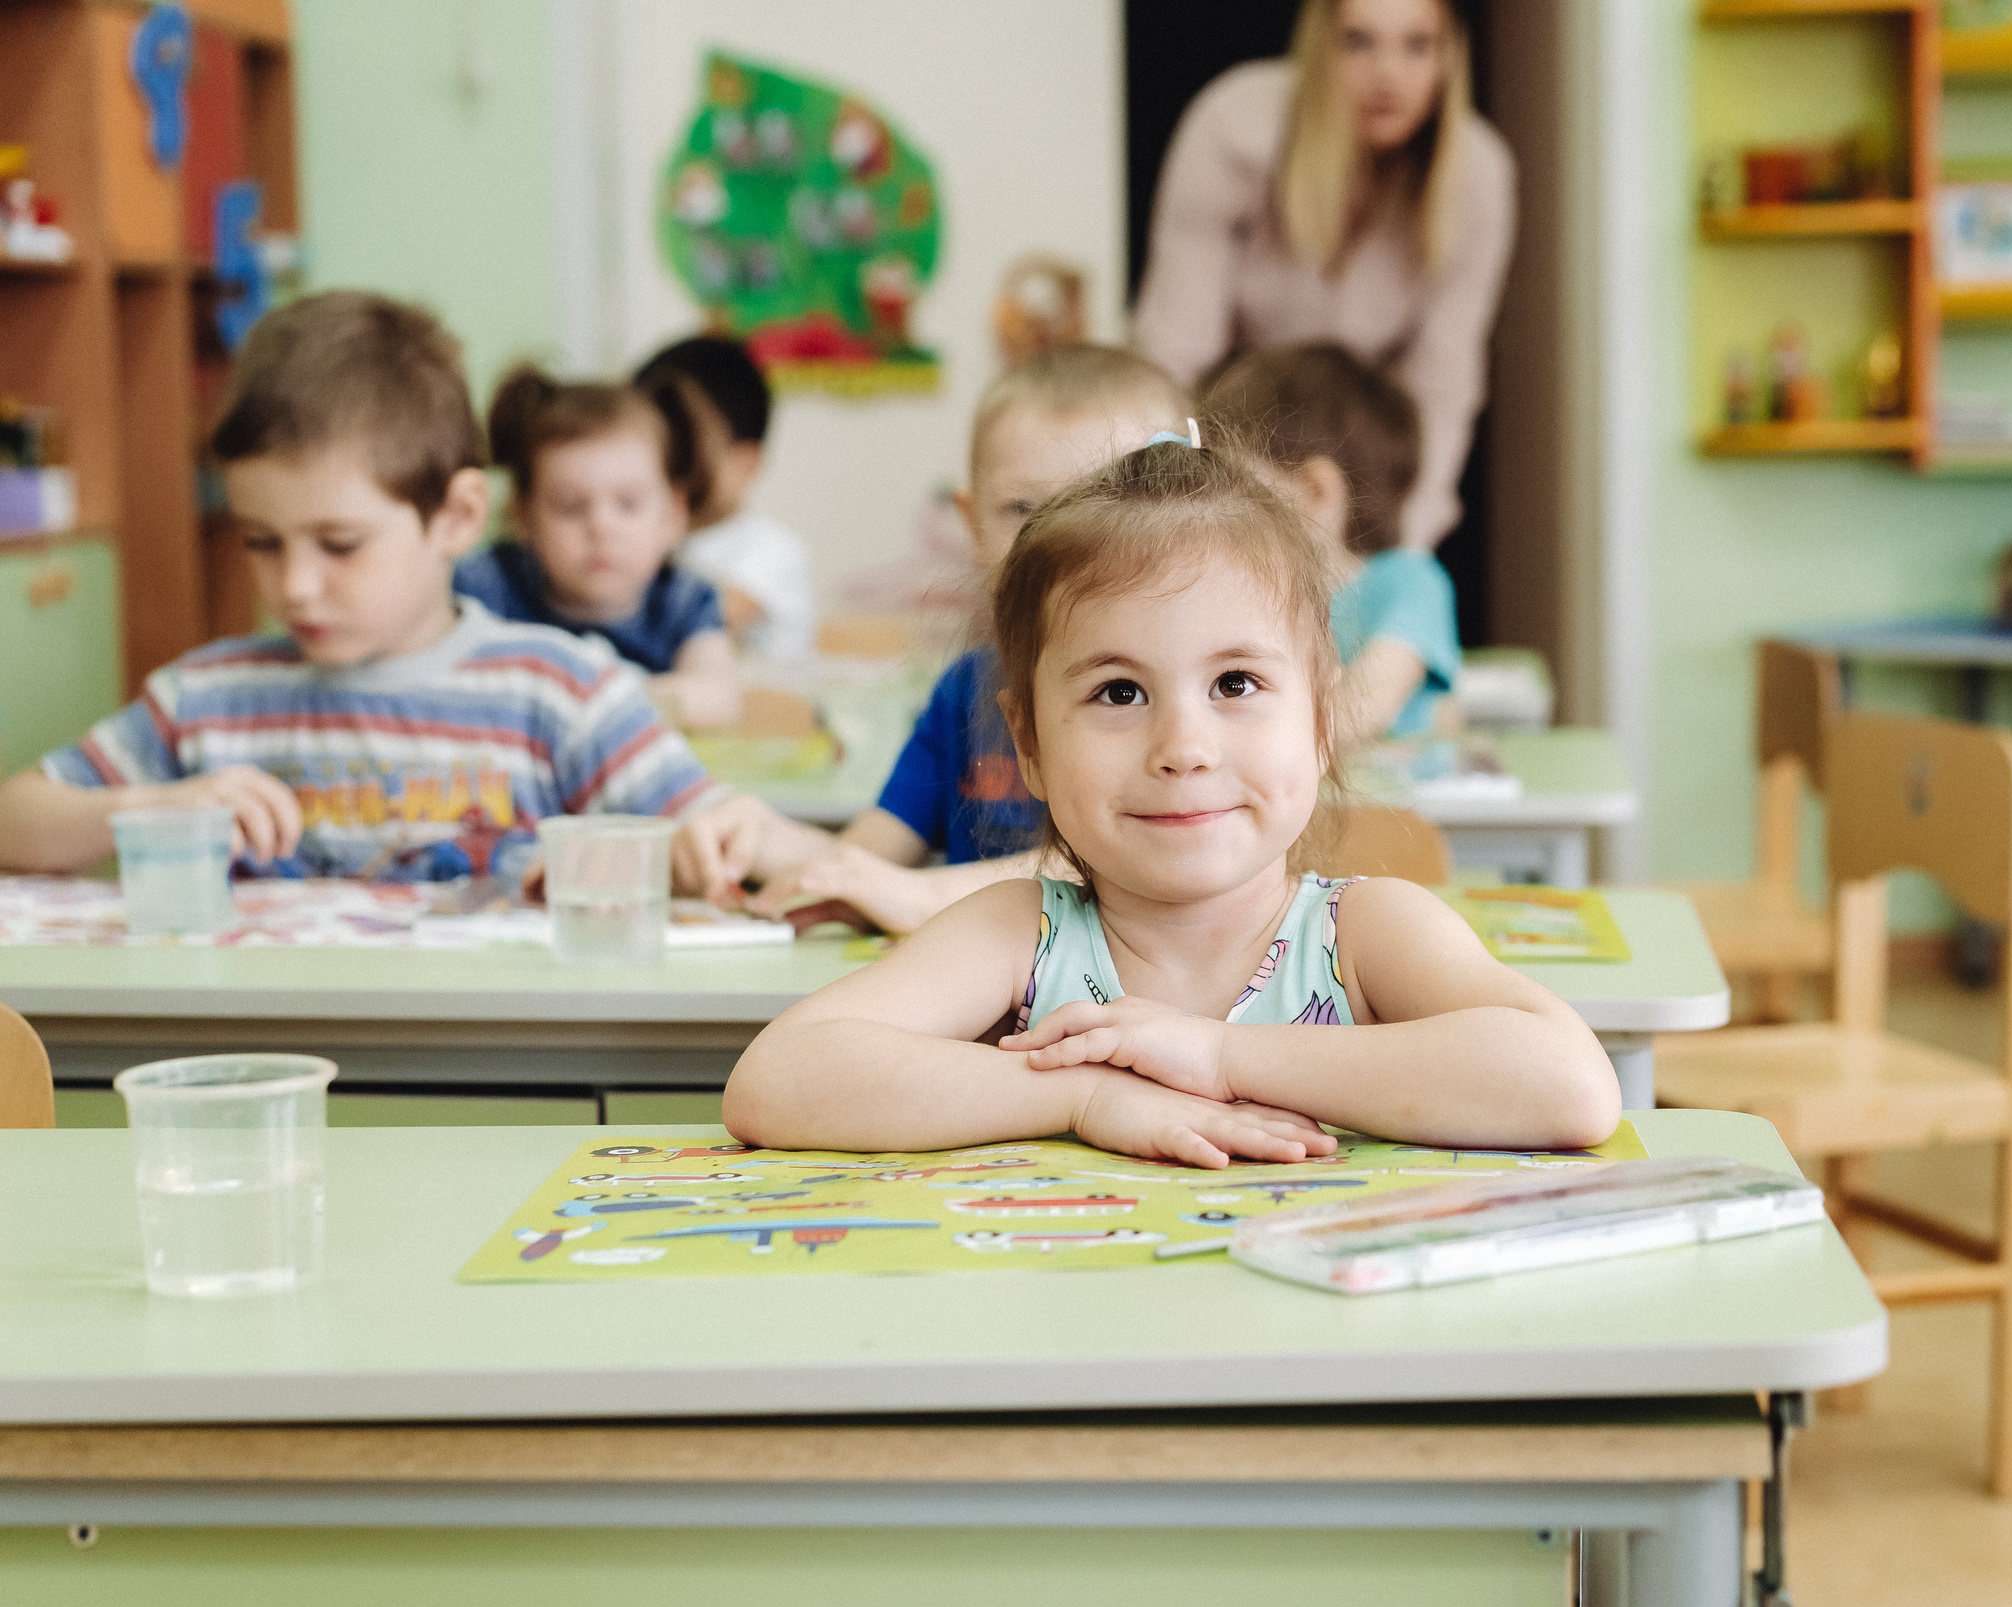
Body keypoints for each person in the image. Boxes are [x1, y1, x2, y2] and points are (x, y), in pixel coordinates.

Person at [721, 435, 1619, 1166]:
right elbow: (778, 1077)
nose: (1183, 749)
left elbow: (1568, 1085)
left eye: (1235, 682)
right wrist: (1087, 1094)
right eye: (1119, 692)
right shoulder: (1018, 936)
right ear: (1029, 742)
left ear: (1319, 718)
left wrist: (1223, 1058)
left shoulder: (1365, 938)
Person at [0, 292, 726, 883]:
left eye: (340, 544)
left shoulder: (561, 693)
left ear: (457, 515)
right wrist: (153, 806)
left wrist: (681, 858)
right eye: (261, 541)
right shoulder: (206, 700)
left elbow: (726, 839)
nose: (297, 585)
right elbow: (13, 819)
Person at [670, 345, 1190, 931]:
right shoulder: (965, 688)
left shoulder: (1171, 696)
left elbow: (1115, 865)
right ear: (972, 523)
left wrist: (913, 895)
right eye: (1022, 509)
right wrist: (762, 838)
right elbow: (869, 860)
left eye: (1097, 506)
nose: (1053, 544)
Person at [1132, 0, 1513, 553]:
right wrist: (1158, 509)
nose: (1388, 74)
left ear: (1448, 56)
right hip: (1230, 431)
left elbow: (1443, 383)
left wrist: (1405, 550)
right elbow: (1173, 350)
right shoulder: (1232, 130)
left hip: (1370, 452)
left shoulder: (1478, 177)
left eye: (1417, 45)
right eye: (1358, 41)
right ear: (1319, 43)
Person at [454, 366, 744, 729]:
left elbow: (718, 700)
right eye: (570, 506)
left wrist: (593, 704)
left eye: (628, 504)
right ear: (522, 515)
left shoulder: (685, 600)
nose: (601, 527)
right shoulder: (486, 587)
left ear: (673, 515)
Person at [1202, 342, 1457, 743]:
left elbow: (1361, 709)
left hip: (1393, 804)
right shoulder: (1252, 591)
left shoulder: (1411, 583)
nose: (1208, 511)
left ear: (1314, 491)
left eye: (1230, 490)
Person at [635, 334, 816, 662]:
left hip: (767, 710)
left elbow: (708, 615)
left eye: (685, 453)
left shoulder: (772, 549)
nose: (666, 469)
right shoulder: (651, 536)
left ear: (745, 465)